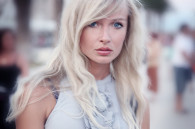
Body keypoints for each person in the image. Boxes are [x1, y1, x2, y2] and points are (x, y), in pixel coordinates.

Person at [7, 0, 149, 129]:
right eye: (93, 23)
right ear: (75, 27)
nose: (105, 37)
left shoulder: (135, 99)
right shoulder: (39, 94)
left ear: (128, 32)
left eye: (117, 24)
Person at [0, 28, 28, 129]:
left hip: (11, 98)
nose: (9, 41)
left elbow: (26, 79)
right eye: (6, 39)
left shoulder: (19, 57)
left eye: (11, 39)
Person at [172, 24, 194, 113]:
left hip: (185, 66)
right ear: (184, 29)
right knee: (179, 87)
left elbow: (191, 51)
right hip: (180, 65)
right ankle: (178, 106)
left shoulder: (188, 39)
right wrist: (190, 60)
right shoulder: (179, 39)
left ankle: (180, 105)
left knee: (183, 87)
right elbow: (183, 52)